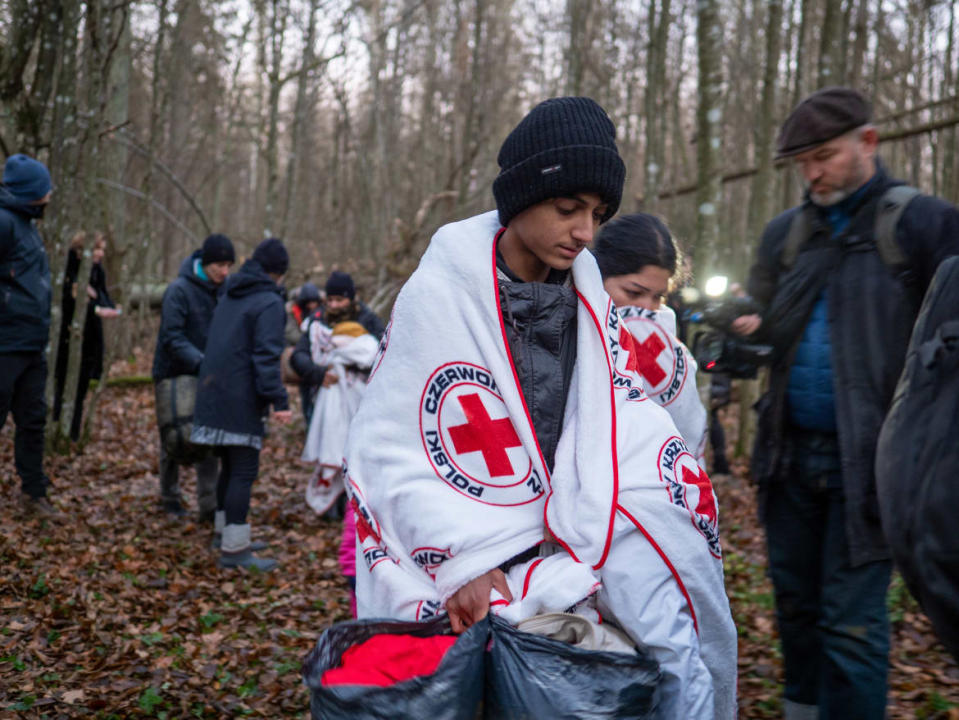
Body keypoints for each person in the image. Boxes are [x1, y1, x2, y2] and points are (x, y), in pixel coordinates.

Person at [343, 97, 737, 718]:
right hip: (477, 553)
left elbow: (621, 415)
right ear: (523, 194)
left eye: (598, 215)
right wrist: (461, 558)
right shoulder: (441, 295)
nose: (585, 233)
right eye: (567, 208)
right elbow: (396, 443)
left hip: (570, 551)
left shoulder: (592, 304)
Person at [732, 87, 959, 719]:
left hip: (875, 470)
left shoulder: (925, 225)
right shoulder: (787, 235)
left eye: (825, 155)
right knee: (796, 612)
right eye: (802, 162)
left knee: (851, 625)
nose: (813, 173)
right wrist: (742, 328)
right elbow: (764, 323)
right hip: (787, 461)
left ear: (868, 142)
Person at [191, 237, 292, 571]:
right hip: (239, 398)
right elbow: (265, 357)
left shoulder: (232, 292)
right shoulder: (268, 302)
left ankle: (225, 532)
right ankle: (235, 551)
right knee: (244, 470)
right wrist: (279, 399)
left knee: (230, 467)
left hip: (213, 393)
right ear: (278, 274)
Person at [592, 213, 708, 467]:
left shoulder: (670, 354)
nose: (646, 309)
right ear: (596, 277)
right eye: (633, 293)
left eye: (658, 298)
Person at [152, 233, 235, 519]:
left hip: (207, 374)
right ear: (205, 263)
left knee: (208, 437)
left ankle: (208, 504)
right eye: (219, 266)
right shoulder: (179, 290)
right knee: (174, 434)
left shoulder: (225, 291)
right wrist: (200, 361)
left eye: (228, 266)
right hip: (173, 374)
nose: (223, 272)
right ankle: (169, 496)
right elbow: (171, 337)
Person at [0, 154, 56, 516]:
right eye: (44, 189)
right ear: (30, 192)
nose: (50, 195)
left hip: (32, 344)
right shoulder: (4, 222)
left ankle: (33, 493)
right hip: (5, 345)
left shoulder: (27, 224)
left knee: (33, 420)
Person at [289, 271, 384, 425]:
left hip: (360, 398)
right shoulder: (317, 320)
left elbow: (382, 354)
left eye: (339, 300)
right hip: (320, 397)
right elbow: (299, 354)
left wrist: (355, 361)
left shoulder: (368, 320)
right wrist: (317, 373)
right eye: (330, 300)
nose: (334, 305)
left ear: (351, 298)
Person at [54, 232, 122, 441]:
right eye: (96, 249)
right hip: (68, 338)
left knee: (81, 389)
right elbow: (66, 301)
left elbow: (102, 296)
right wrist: (90, 304)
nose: (100, 254)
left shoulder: (97, 270)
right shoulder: (68, 268)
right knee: (63, 386)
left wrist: (105, 307)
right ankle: (57, 428)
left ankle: (72, 434)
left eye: (101, 249)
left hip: (91, 338)